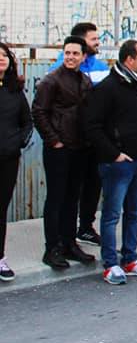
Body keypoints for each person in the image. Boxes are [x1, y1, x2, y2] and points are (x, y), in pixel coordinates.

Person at [84, 39, 137, 285]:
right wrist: (114, 154)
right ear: (129, 60)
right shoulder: (107, 87)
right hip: (118, 163)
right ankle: (110, 264)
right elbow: (92, 126)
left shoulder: (136, 86)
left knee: (134, 212)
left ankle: (130, 258)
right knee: (112, 214)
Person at [33, 36, 94, 270]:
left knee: (72, 198)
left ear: (83, 57)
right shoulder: (51, 81)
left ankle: (69, 243)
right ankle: (52, 248)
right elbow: (38, 112)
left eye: (75, 54)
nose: (70, 57)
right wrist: (54, 140)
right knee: (56, 198)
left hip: (80, 148)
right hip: (59, 149)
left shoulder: (85, 81)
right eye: (67, 53)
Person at [50, 23, 109, 248]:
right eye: (94, 39)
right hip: (70, 140)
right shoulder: (60, 69)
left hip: (94, 138)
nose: (98, 43)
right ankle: (60, 236)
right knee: (67, 190)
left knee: (93, 184)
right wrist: (55, 138)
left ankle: (85, 227)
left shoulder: (101, 66)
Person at [0, 43, 32, 282]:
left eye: (4, 55)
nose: (1, 59)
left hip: (8, 158)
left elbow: (27, 121)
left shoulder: (15, 90)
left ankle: (0, 258)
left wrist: (18, 142)